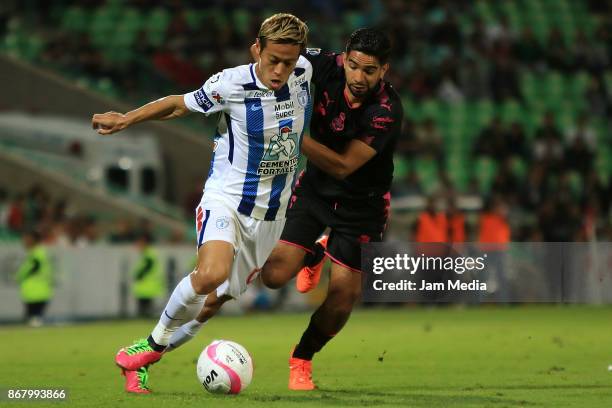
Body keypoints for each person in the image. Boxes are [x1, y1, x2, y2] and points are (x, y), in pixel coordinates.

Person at [165, 28, 403, 392]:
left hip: (363, 205)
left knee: (341, 297)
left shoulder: (386, 111)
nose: (358, 77)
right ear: (344, 58)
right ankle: (316, 252)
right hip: (314, 190)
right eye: (353, 66)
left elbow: (342, 165)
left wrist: (289, 135)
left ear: (384, 70)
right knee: (274, 276)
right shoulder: (323, 65)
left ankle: (302, 358)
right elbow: (277, 60)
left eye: (369, 71)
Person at [91, 13, 310, 394]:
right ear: (256, 49)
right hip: (225, 199)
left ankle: (139, 356)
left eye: (287, 63)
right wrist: (128, 118)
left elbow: (345, 66)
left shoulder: (307, 71)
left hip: (271, 215)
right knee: (210, 274)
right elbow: (179, 104)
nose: (279, 70)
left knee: (212, 303)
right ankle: (151, 345)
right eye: (272, 59)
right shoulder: (231, 83)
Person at [16, 229, 53, 327]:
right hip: (36, 292)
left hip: (36, 293)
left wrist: (19, 276)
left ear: (33, 239)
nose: (24, 241)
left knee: (34, 320)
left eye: (26, 239)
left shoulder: (37, 254)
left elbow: (30, 268)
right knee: (33, 320)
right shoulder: (36, 253)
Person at [132, 232, 164, 318]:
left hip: (146, 285)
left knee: (145, 311)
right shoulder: (149, 253)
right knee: (147, 310)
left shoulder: (149, 254)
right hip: (147, 286)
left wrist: (138, 275)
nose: (138, 245)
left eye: (139, 242)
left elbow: (146, 267)